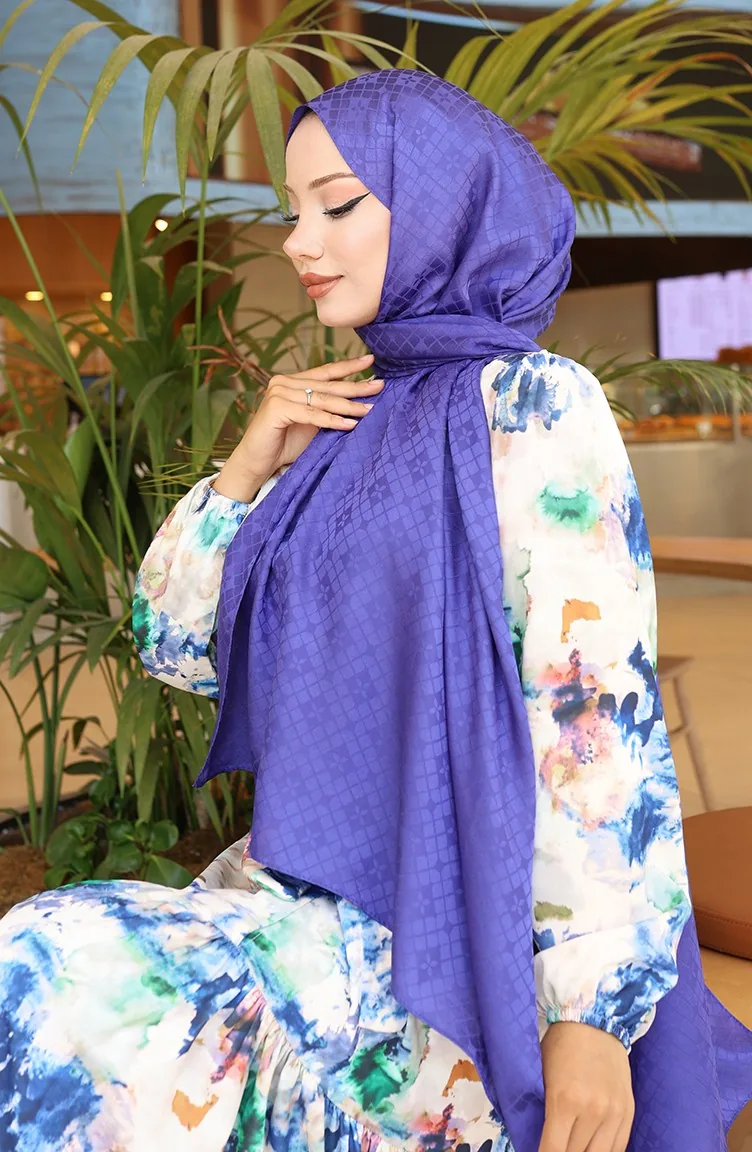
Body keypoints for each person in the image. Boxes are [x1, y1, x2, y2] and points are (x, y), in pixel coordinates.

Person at [1, 69, 751, 1152]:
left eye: (337, 205)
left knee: (57, 965)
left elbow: (588, 712)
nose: (299, 242)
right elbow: (178, 647)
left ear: (444, 204)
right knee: (50, 968)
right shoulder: (344, 414)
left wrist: (590, 1013)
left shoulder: (532, 401)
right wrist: (249, 465)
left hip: (455, 940)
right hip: (305, 900)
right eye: (291, 211)